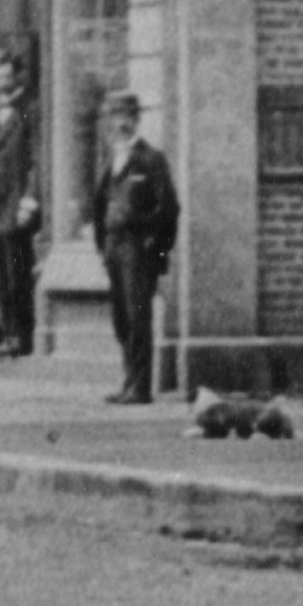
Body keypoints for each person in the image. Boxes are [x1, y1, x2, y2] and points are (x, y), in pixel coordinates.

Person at [93, 89, 179, 406]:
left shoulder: (151, 160)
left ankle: (141, 387)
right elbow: (99, 205)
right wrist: (103, 247)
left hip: (137, 250)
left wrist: (154, 248)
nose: (119, 123)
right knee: (121, 318)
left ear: (136, 119)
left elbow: (168, 209)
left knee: (138, 316)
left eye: (126, 116)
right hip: (114, 248)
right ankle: (128, 380)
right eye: (114, 117)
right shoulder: (110, 160)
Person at [0, 59, 47, 361]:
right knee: (0, 271)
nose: (2, 81)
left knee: (17, 271)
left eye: (7, 75)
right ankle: (8, 333)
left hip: (16, 201)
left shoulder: (29, 109)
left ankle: (22, 336)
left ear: (18, 75)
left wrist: (29, 200)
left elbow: (37, 160)